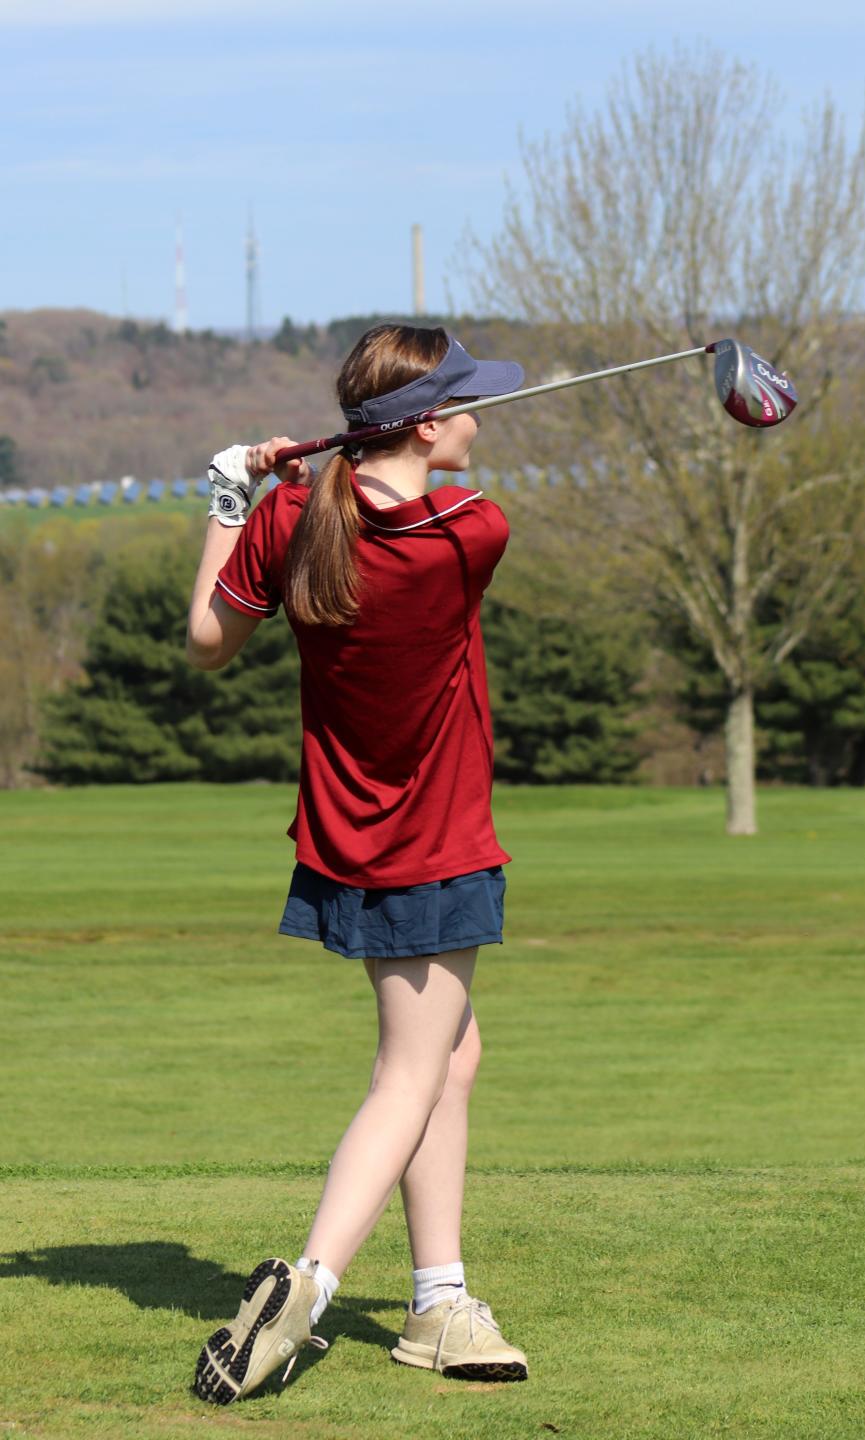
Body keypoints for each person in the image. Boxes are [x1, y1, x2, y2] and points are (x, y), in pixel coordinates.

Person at [187, 324, 529, 1405]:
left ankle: (439, 1303)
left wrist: (233, 495)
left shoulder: (294, 514)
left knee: (453, 1058)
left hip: (346, 840)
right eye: (469, 403)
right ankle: (308, 1289)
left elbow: (207, 638)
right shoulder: (470, 530)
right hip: (434, 843)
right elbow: (405, 504)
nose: (485, 419)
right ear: (427, 425)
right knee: (410, 1074)